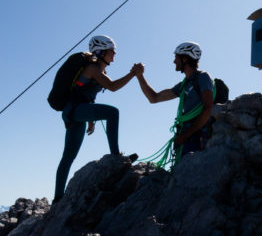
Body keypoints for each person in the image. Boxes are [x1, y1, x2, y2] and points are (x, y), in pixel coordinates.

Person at [54, 35, 141, 202]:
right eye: (112, 51)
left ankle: (57, 199)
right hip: (76, 110)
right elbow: (113, 87)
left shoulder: (99, 70)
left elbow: (86, 93)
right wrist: (133, 74)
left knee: (68, 157)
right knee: (112, 113)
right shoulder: (93, 68)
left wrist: (91, 120)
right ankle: (116, 156)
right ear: (101, 52)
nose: (114, 55)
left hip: (74, 112)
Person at [134, 41, 214, 160]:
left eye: (176, 57)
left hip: (197, 136)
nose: (174, 61)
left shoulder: (203, 77)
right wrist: (140, 76)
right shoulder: (183, 85)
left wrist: (186, 135)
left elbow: (208, 108)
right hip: (186, 136)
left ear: (185, 59)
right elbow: (154, 98)